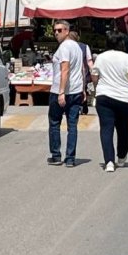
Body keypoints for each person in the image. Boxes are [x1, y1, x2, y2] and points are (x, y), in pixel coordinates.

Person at [92, 35, 128, 172]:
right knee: (123, 129)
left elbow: (94, 76)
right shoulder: (126, 57)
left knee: (106, 129)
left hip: (104, 97)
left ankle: (109, 161)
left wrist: (96, 88)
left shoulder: (100, 57)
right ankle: (121, 157)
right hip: (124, 98)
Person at [48, 20, 85, 167]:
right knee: (72, 125)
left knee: (55, 123)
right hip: (76, 90)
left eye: (60, 30)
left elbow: (65, 69)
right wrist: (83, 89)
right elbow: (82, 69)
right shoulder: (77, 47)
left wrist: (61, 92)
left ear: (67, 31)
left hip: (62, 91)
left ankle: (56, 156)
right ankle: (70, 158)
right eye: (55, 30)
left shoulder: (64, 47)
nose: (56, 33)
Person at [69, 31, 94, 115]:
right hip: (83, 73)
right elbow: (89, 61)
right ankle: (83, 106)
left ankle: (75, 107)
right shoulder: (85, 47)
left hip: (70, 73)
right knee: (83, 90)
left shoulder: (65, 47)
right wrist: (93, 72)